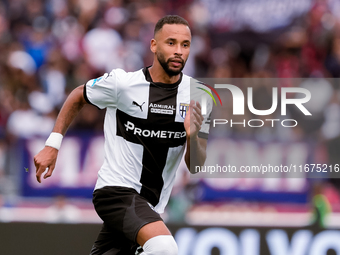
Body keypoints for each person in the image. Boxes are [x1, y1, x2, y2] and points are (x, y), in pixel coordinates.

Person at [34, 15, 211, 255]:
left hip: (150, 206)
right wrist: (52, 145)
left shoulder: (198, 96)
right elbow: (78, 94)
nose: (179, 51)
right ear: (153, 45)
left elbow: (195, 166)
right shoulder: (123, 83)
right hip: (115, 191)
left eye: (185, 45)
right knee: (164, 247)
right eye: (171, 43)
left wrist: (192, 135)